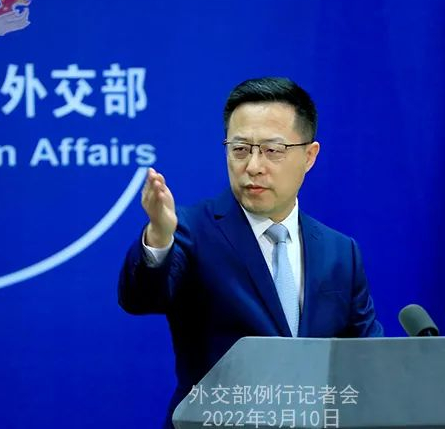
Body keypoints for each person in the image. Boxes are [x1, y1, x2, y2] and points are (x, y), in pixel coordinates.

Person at [118, 77, 383, 428]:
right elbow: (141, 298)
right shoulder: (191, 230)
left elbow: (368, 358)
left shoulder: (339, 251)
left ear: (309, 156)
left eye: (273, 150)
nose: (254, 166)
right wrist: (159, 236)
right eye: (240, 149)